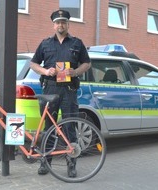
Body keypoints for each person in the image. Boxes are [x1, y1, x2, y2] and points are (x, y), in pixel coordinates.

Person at [30, 10, 91, 178]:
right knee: (49, 126)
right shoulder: (45, 43)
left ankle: (71, 164)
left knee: (70, 127)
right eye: (57, 22)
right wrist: (45, 70)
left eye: (63, 22)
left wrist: (76, 71)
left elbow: (87, 63)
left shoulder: (77, 43)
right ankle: (45, 161)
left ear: (68, 24)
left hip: (69, 90)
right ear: (53, 25)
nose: (60, 25)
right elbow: (33, 63)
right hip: (50, 89)